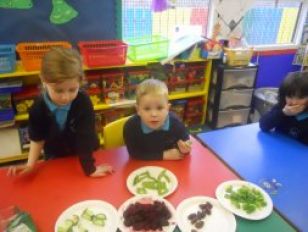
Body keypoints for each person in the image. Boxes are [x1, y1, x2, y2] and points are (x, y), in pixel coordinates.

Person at [8, 47, 113, 177]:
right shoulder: (38, 107)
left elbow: (84, 137)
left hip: (86, 152)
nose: (66, 97)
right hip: (56, 154)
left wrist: (90, 169)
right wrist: (30, 164)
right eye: (59, 91)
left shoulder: (83, 102)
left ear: (80, 81)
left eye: (72, 89)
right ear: (43, 81)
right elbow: (37, 138)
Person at [123, 79, 192, 160]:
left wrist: (184, 149)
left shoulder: (176, 123)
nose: (154, 114)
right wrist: (163, 155)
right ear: (138, 110)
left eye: (159, 108)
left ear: (167, 108)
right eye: (147, 108)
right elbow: (134, 153)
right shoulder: (131, 127)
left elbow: (185, 144)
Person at [259, 71, 308, 145]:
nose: (294, 102)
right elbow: (263, 125)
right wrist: (283, 113)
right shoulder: (282, 106)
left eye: (301, 97)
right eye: (290, 96)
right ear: (283, 95)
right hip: (278, 147)